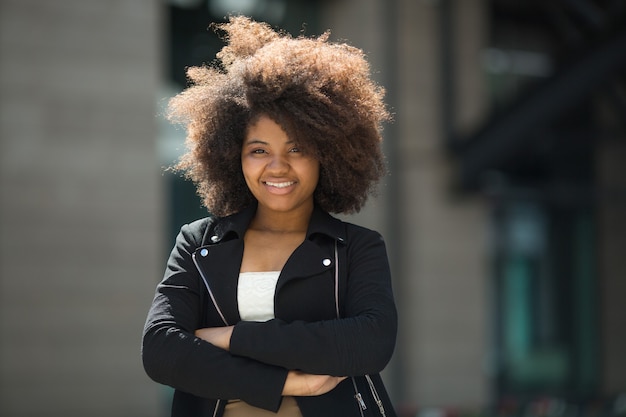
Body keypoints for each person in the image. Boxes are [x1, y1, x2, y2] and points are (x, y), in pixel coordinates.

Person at [142, 16, 398, 417]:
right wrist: (287, 382)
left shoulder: (357, 247)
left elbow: (368, 343)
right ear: (232, 155)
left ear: (327, 155)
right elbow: (161, 350)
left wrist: (229, 337)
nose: (277, 167)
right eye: (259, 150)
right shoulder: (198, 243)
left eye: (297, 149)